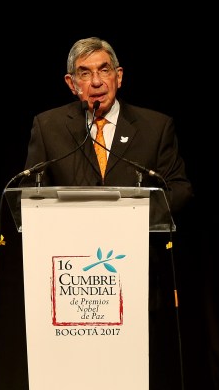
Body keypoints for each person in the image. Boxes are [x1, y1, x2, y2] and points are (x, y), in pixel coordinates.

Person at [18, 36, 193, 390]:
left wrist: (128, 220)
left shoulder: (156, 127)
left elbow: (180, 189)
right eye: (85, 73)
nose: (96, 82)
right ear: (71, 84)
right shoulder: (49, 127)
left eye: (104, 70)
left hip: (138, 278)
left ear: (119, 76)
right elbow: (30, 194)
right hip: (69, 284)